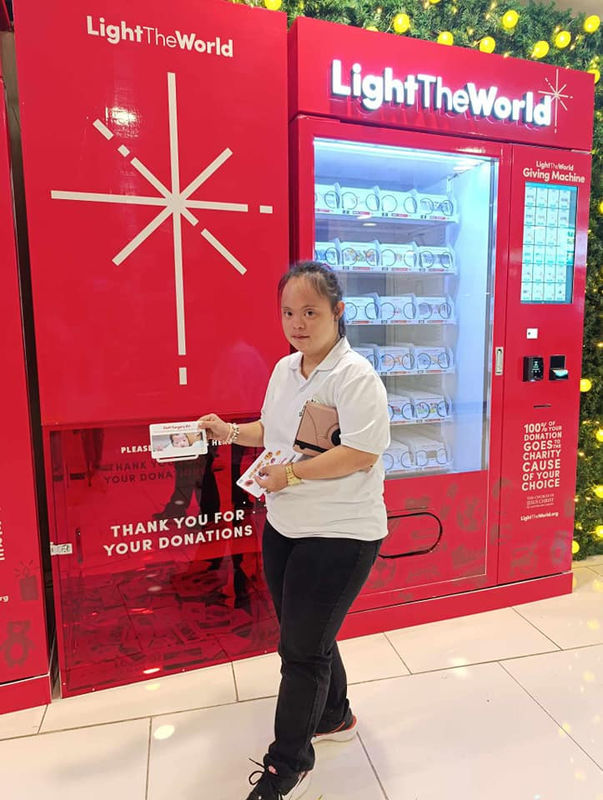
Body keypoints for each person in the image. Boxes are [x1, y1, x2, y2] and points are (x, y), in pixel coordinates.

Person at [198, 261, 390, 800]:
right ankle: (335, 716)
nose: (297, 323)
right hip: (285, 524)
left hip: (343, 532)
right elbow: (273, 430)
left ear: (338, 312)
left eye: (310, 312)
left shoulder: (356, 377)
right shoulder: (286, 369)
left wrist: (294, 475)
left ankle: (288, 766)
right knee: (308, 634)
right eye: (288, 313)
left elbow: (361, 453)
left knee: (300, 651)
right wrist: (228, 431)